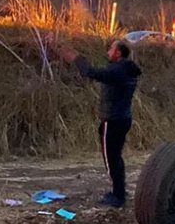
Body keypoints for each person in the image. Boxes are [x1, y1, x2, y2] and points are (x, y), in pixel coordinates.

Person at [52, 39, 141, 208]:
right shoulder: (127, 70)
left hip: (113, 120)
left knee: (111, 159)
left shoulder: (118, 71)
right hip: (122, 119)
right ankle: (119, 191)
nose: (108, 52)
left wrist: (75, 58)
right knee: (116, 157)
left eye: (111, 49)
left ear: (118, 53)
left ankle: (118, 195)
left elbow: (91, 73)